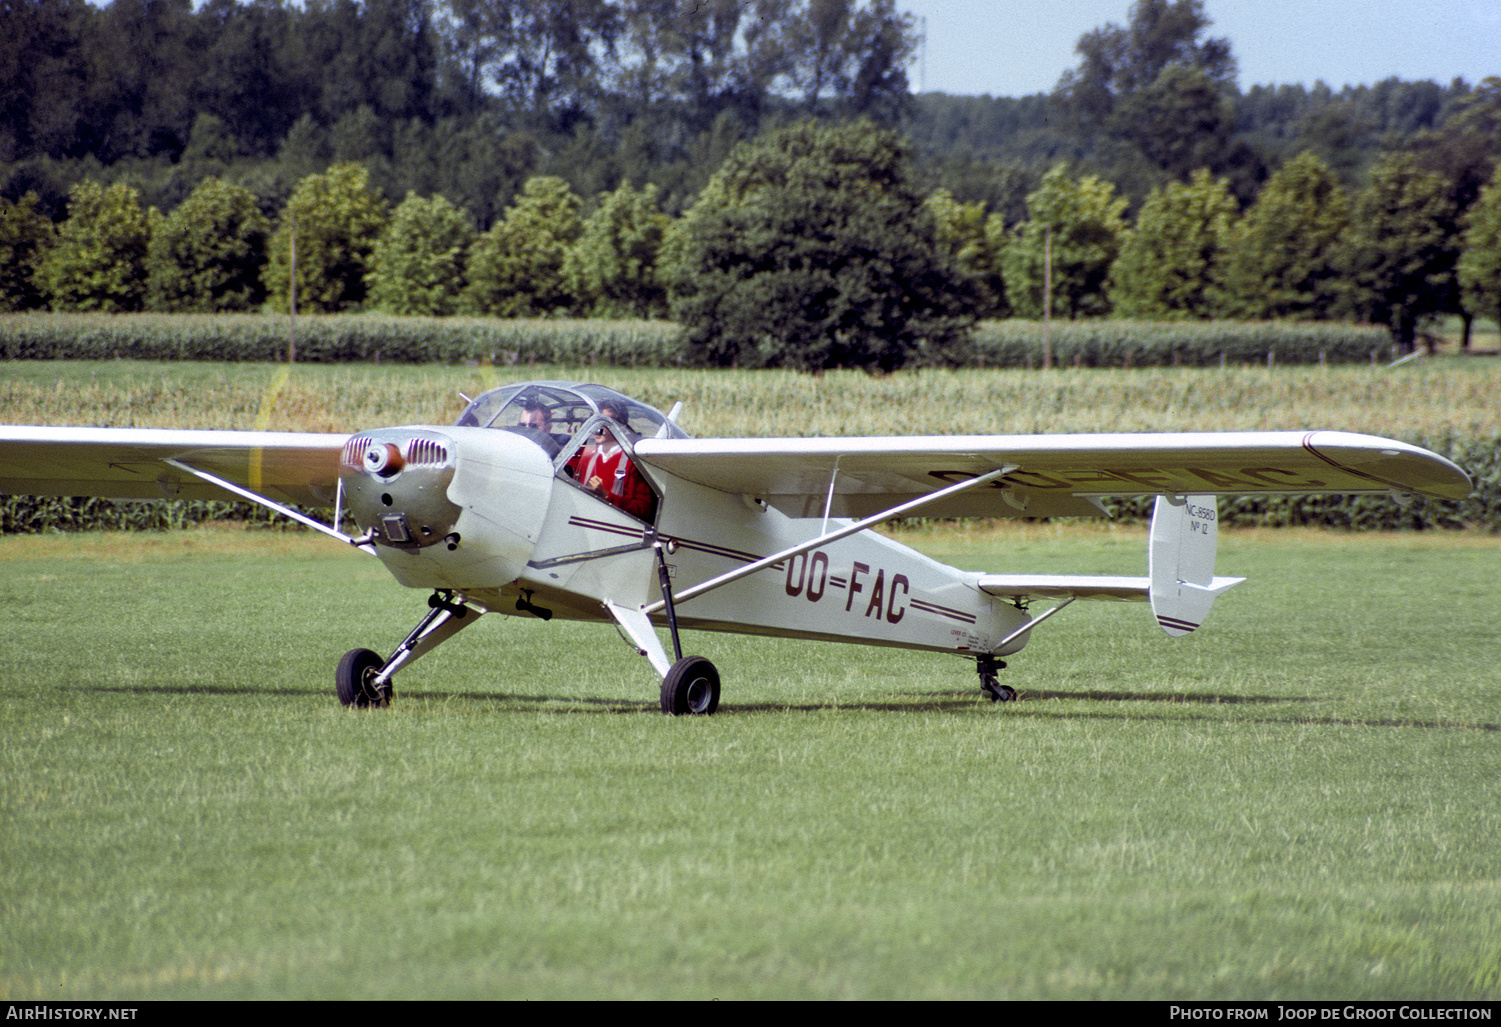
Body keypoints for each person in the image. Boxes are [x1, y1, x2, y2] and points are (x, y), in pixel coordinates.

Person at [567, 403, 656, 520]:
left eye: (605, 422)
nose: (597, 428)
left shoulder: (633, 462)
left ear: (621, 426)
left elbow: (644, 509)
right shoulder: (585, 454)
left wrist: (606, 495)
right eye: (594, 422)